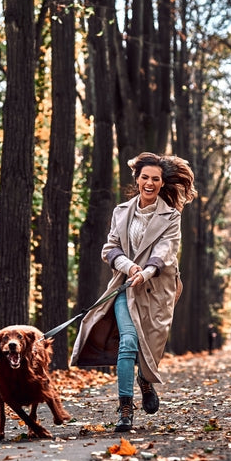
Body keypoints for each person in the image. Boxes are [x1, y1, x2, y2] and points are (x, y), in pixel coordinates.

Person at [70, 152, 197, 432]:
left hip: (158, 289)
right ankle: (125, 408)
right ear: (137, 179)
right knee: (128, 341)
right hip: (125, 287)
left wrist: (147, 271)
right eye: (145, 177)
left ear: (162, 183)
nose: (149, 183)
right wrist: (130, 268)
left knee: (149, 349)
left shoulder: (171, 216)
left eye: (155, 179)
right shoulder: (121, 211)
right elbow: (110, 247)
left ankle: (145, 381)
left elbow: (166, 252)